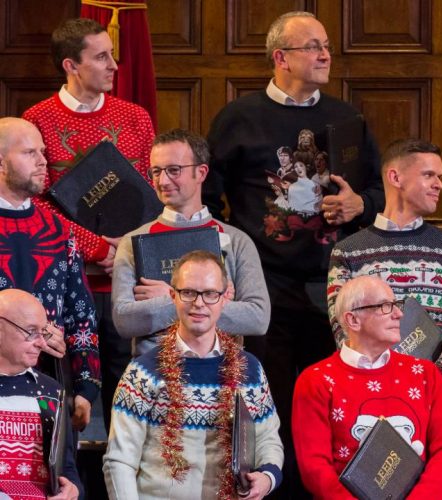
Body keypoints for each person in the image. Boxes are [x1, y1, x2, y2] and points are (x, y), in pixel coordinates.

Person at [204, 11, 384, 497]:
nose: (325, 55)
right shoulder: (239, 118)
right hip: (265, 291)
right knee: (273, 409)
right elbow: (208, 199)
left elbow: (378, 191)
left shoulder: (347, 119)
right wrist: (230, 261)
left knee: (331, 412)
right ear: (281, 57)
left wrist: (361, 205)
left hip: (335, 291)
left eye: (326, 46)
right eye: (313, 47)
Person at [22, 18, 155, 431]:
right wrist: (97, 247)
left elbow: (150, 196)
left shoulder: (135, 118)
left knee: (127, 388)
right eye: (101, 57)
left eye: (112, 55)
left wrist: (126, 251)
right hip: (65, 280)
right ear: (71, 65)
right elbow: (36, 203)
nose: (114, 65)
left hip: (126, 281)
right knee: (65, 391)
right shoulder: (38, 119)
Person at [103, 251, 283, 499]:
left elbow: (268, 440)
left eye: (210, 294)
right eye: (188, 292)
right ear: (172, 296)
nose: (199, 303)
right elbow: (120, 461)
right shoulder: (143, 373)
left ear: (224, 298)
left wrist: (267, 477)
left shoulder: (249, 369)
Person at [328, 138, 442, 387]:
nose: (439, 184)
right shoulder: (347, 252)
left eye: (440, 176)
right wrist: (383, 383)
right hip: (370, 391)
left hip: (436, 393)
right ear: (395, 178)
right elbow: (343, 328)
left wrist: (433, 381)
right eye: (429, 175)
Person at [293, 275, 442, 499]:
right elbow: (315, 468)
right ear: (353, 320)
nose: (399, 314)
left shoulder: (425, 374)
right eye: (384, 306)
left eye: (396, 304)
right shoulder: (316, 380)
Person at [112, 129, 270, 357]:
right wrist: (213, 300)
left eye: (173, 170)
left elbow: (257, 318)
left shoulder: (237, 241)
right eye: (156, 171)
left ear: (201, 172)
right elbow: (124, 321)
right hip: (153, 369)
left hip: (223, 370)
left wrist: (171, 297)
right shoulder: (132, 242)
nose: (162, 181)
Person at [0, 117, 99, 431]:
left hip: (49, 386)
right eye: (30, 152)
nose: (43, 161)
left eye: (42, 152)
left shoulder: (58, 230)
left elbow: (80, 314)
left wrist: (85, 387)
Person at [0, 288, 81, 500]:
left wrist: (72, 490)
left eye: (43, 332)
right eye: (31, 331)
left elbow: (66, 468)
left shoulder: (51, 391)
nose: (42, 343)